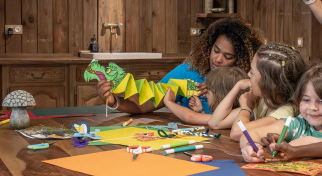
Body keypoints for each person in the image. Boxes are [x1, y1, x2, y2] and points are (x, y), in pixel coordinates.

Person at [96, 17, 264, 114]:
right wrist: (114, 102)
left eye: (227, 56)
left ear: (241, 60)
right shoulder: (189, 72)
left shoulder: (243, 83)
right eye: (216, 50)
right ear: (209, 46)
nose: (218, 59)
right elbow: (149, 101)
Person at [241, 62, 322, 163]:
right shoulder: (298, 125)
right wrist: (249, 146)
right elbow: (251, 133)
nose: (313, 107)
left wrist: (309, 143)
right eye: (306, 100)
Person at [208, 43, 306, 139]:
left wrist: (246, 108)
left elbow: (237, 132)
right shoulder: (264, 99)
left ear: (267, 82)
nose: (248, 75)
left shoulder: (285, 111)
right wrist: (237, 86)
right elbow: (215, 123)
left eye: (252, 72)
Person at [163, 67, 248, 125]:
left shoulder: (234, 115)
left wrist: (169, 102)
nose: (205, 95)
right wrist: (200, 111)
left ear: (221, 96)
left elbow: (190, 117)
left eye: (208, 92)